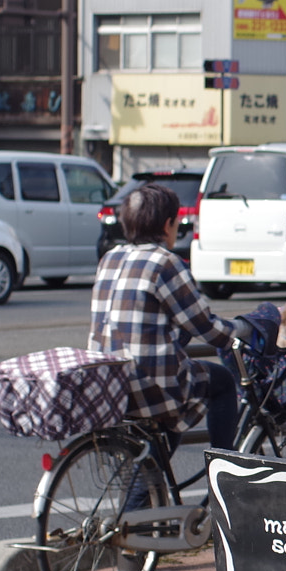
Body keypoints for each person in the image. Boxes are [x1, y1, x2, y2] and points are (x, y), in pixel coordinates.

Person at [90, 183, 239, 450]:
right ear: (168, 224)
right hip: (146, 384)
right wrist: (242, 330)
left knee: (169, 410)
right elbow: (205, 326)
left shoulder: (110, 258)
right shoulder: (165, 262)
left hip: (109, 381)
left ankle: (152, 478)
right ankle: (221, 478)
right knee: (223, 383)